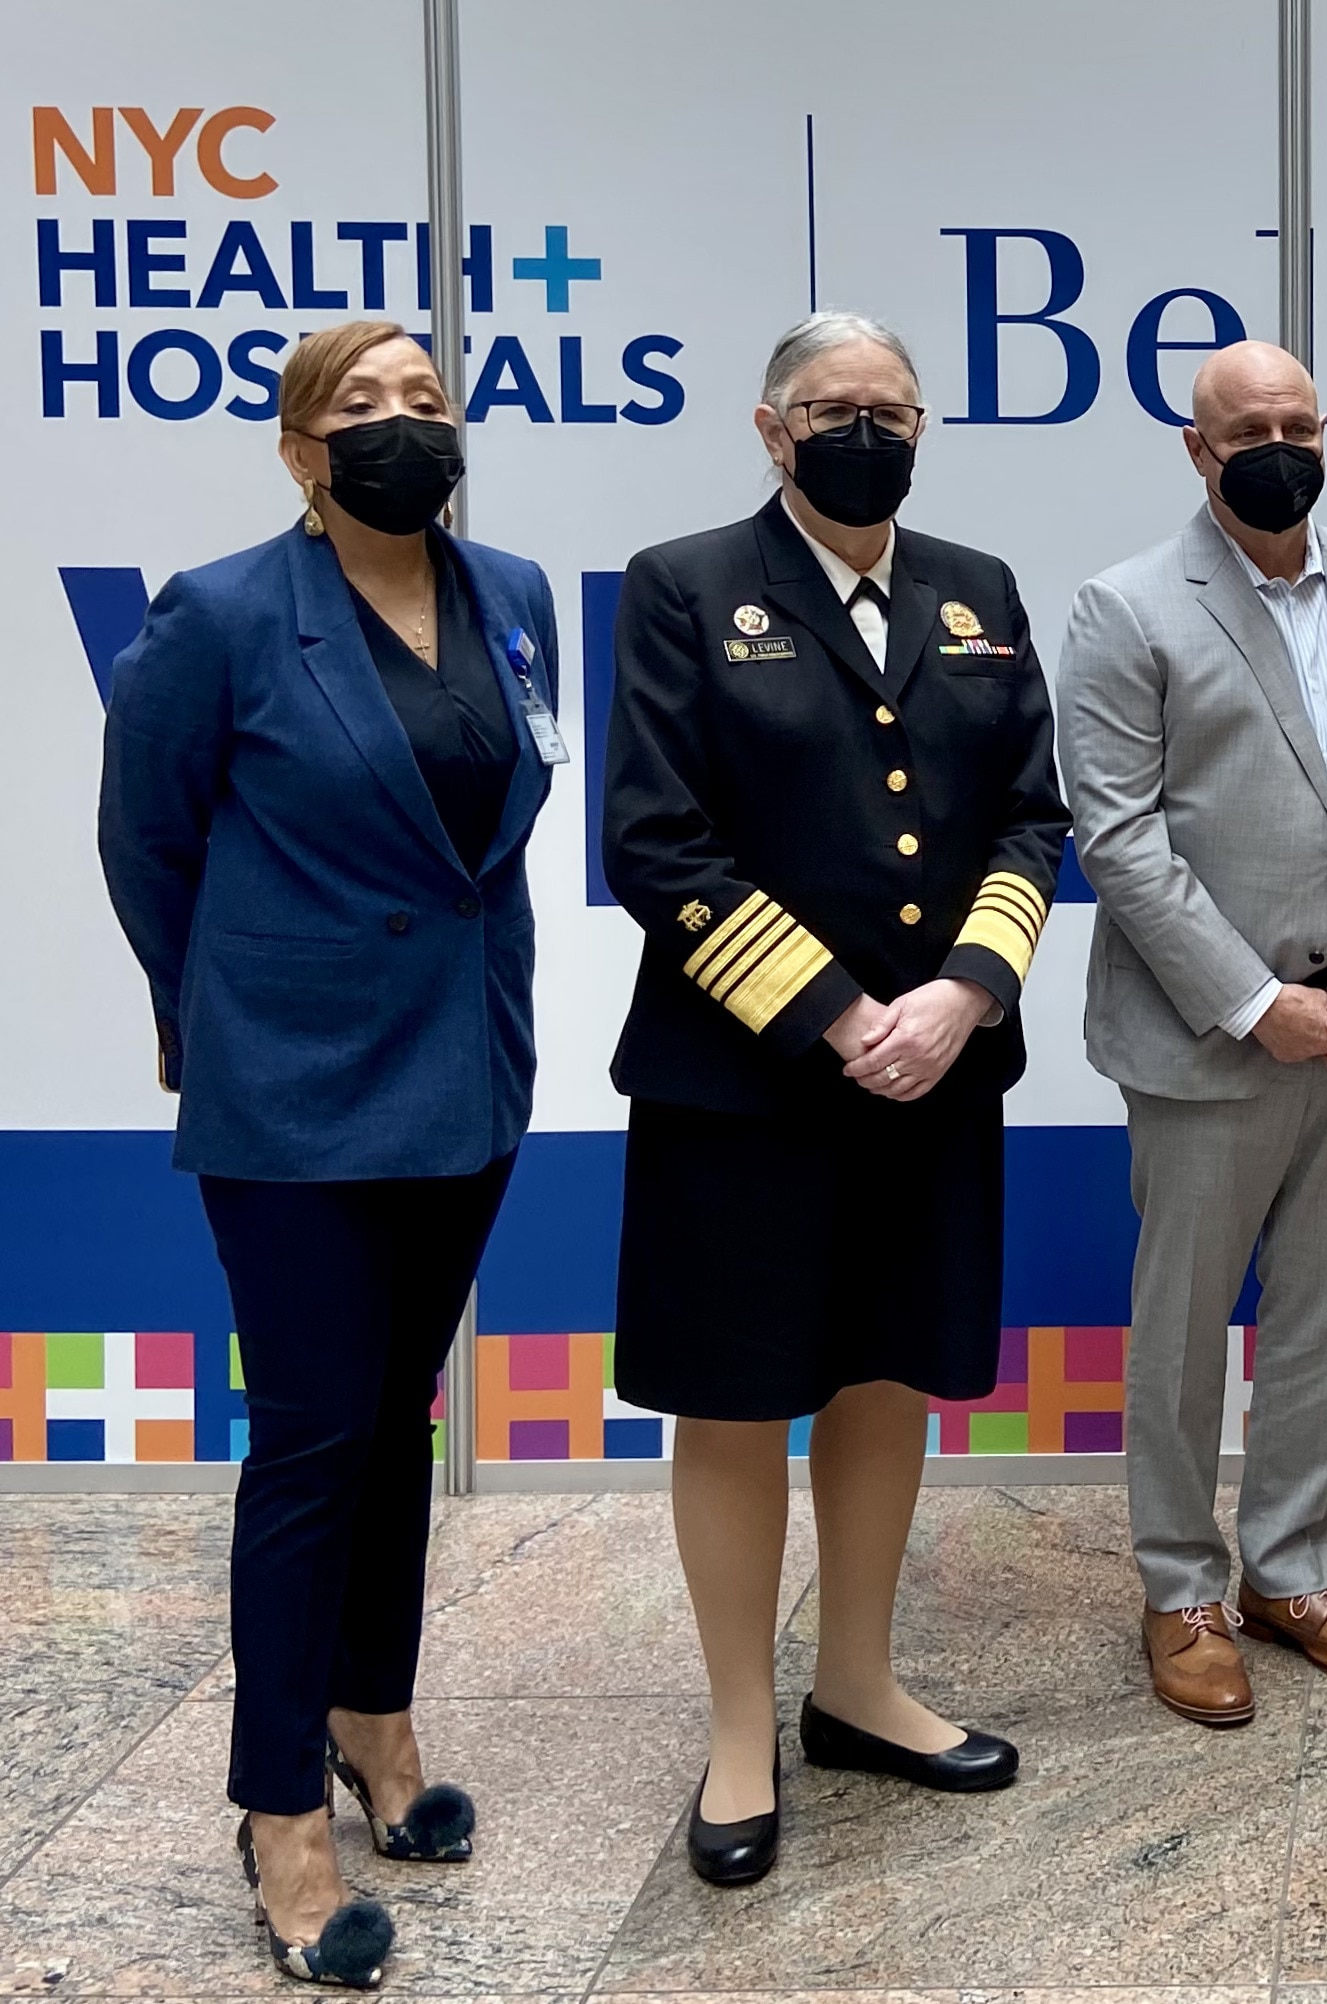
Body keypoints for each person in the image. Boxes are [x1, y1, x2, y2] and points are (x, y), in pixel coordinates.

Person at [97, 319, 560, 1987]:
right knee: (311, 1436)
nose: (397, 426)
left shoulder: (515, 587)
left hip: (465, 1071)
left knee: (400, 1412)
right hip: (289, 1088)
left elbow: (497, 814)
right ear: (302, 449)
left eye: (424, 402)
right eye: (359, 406)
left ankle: (379, 1706)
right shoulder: (218, 614)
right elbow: (147, 839)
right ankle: (278, 1802)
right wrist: (209, 1008)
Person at [602, 310, 1065, 1883]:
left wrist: (965, 994)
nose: (863, 426)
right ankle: (743, 1726)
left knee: (885, 1373)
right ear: (767, 425)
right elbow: (656, 841)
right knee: (737, 1398)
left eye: (890, 403)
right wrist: (836, 1014)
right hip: (747, 1082)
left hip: (935, 1073)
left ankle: (858, 1684)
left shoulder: (979, 591)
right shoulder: (686, 587)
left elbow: (1031, 820)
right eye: (830, 404)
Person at [1059, 340, 1327, 1727]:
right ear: (1197, 448)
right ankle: (1180, 1590)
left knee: (1319, 1314)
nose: (1279, 445)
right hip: (1208, 1041)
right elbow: (1118, 839)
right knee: (1183, 1328)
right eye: (1249, 428)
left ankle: (1292, 1574)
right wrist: (1254, 1002)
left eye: (1300, 422)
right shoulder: (1124, 610)